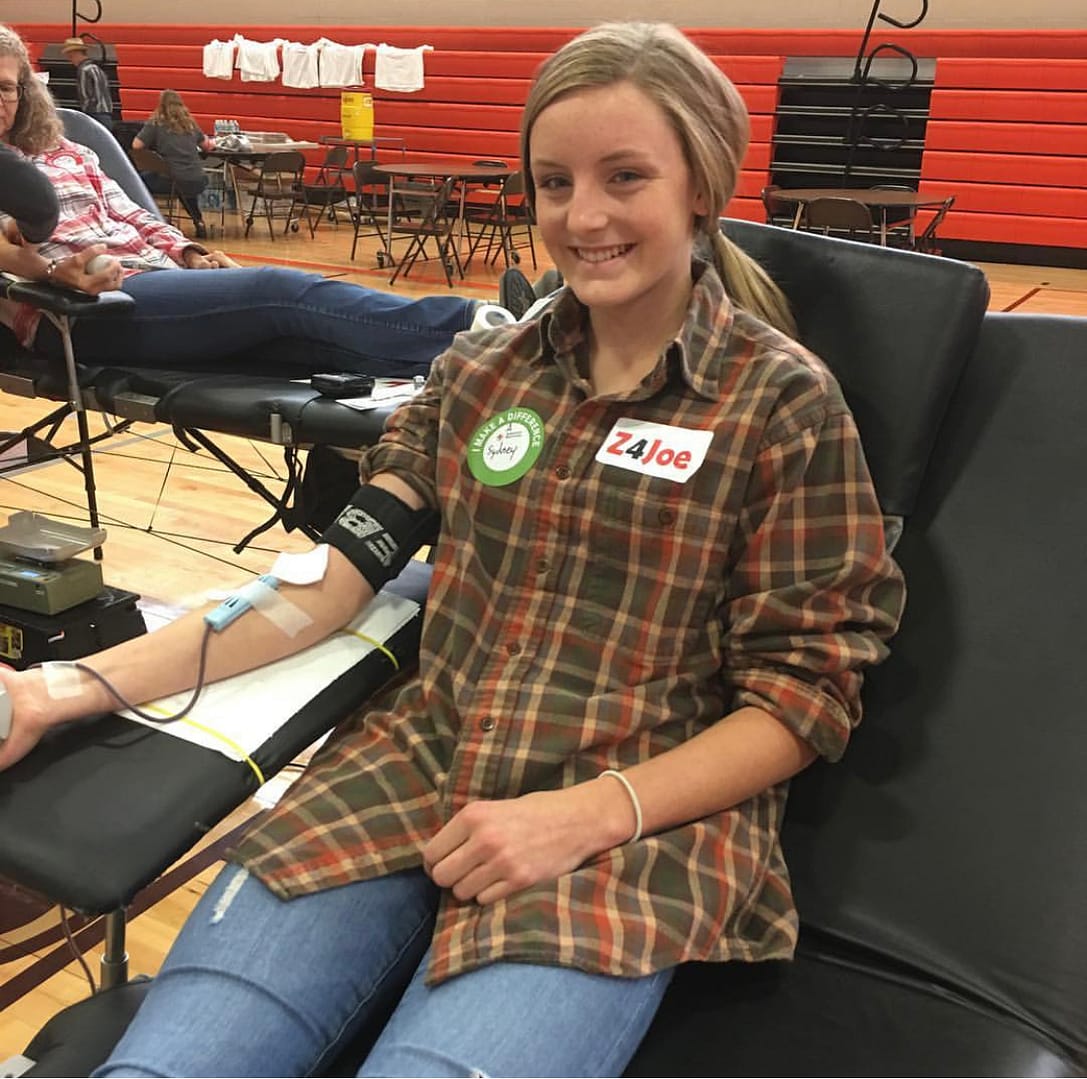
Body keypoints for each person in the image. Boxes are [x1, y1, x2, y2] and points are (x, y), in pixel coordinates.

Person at [0, 21, 906, 1078]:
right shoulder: (480, 375)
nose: (585, 215)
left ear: (703, 183)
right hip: (417, 766)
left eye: (626, 176)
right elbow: (321, 585)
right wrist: (57, 688)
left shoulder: (780, 405)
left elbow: (804, 694)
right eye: (555, 181)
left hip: (626, 831)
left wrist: (587, 813)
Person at [0, 25, 486, 381]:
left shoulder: (69, 150)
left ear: (24, 94)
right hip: (80, 311)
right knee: (278, 290)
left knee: (308, 342)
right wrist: (47, 273)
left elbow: (134, 216)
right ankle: (480, 324)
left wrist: (191, 255)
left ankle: (482, 370)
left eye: (5, 87)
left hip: (156, 280)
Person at [131, 88, 214, 239]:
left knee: (139, 182)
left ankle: (154, 220)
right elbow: (207, 146)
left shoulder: (156, 123)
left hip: (171, 180)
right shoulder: (190, 124)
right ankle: (198, 221)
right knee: (184, 186)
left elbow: (136, 145)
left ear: (161, 105)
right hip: (198, 180)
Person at [60, 35, 113, 131]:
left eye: (70, 56)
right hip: (105, 113)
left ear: (76, 53)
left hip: (94, 114)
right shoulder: (96, 68)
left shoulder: (85, 70)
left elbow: (87, 97)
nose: (70, 60)